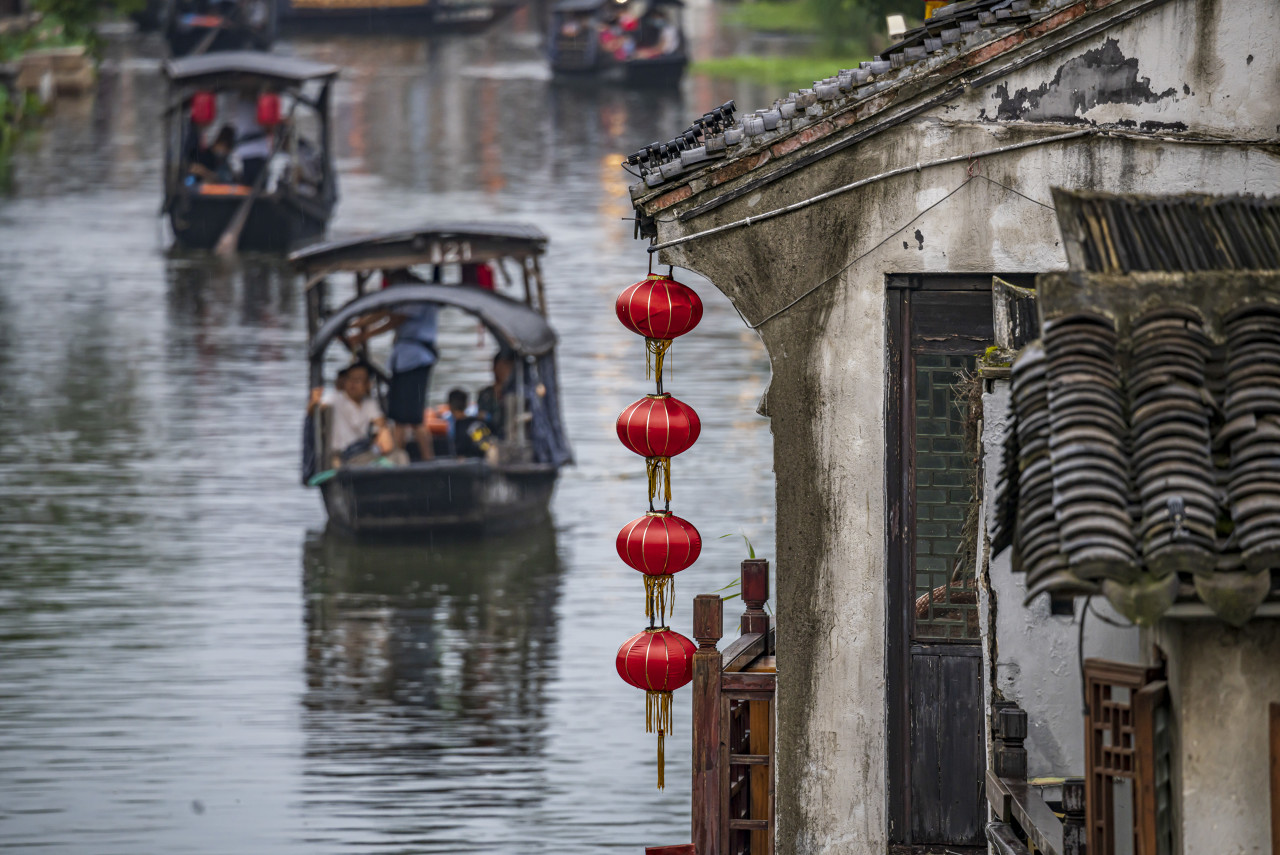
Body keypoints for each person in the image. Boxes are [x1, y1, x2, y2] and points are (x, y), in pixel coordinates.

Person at [325, 362, 397, 467]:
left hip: (363, 451)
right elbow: (318, 406)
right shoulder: (336, 398)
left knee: (399, 456)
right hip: (343, 455)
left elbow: (381, 423)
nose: (353, 384)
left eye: (358, 380)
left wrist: (383, 432)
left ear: (368, 384)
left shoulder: (369, 404)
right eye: (350, 379)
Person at [477, 350, 516, 439]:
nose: (504, 370)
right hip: (490, 438)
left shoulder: (517, 395)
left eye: (508, 366)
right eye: (501, 366)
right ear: (494, 367)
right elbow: (481, 419)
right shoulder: (485, 394)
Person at [446, 388, 494, 459]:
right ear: (466, 405)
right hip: (483, 458)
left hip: (465, 460)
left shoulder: (454, 426)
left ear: (449, 406)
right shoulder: (478, 422)